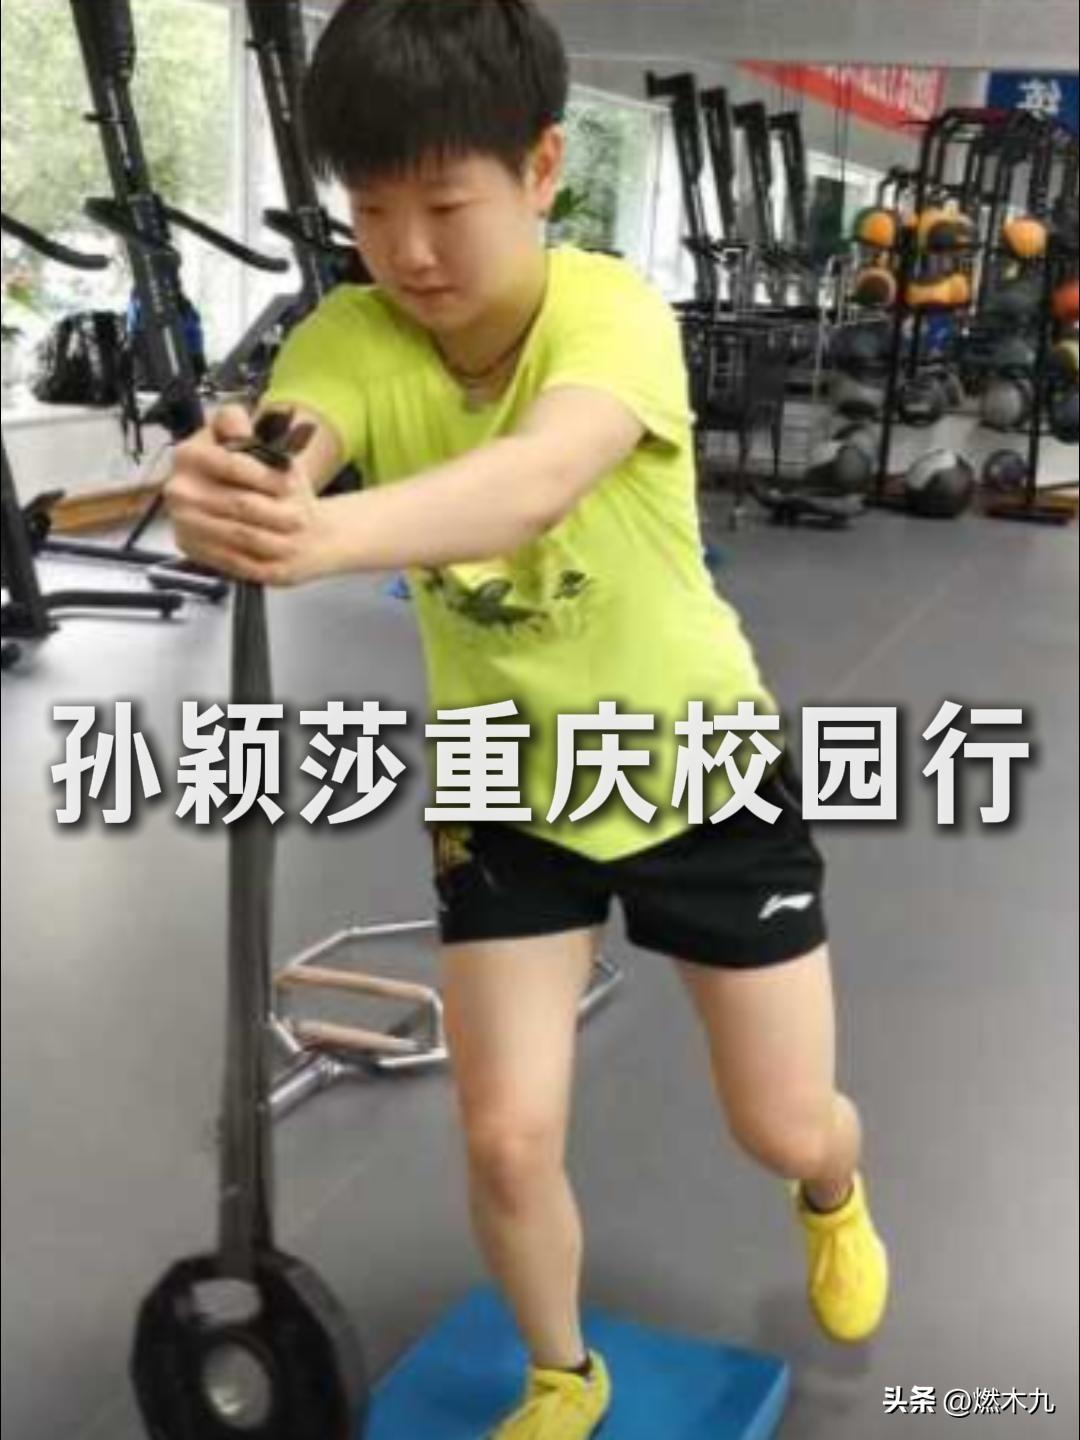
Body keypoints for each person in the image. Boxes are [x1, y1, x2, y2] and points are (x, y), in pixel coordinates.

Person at [164, 2, 889, 1435]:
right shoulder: (353, 333)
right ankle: (564, 1373)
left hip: (699, 773)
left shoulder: (611, 312)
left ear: (542, 167)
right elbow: (297, 447)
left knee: (783, 1120)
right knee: (503, 1135)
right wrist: (234, 491)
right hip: (507, 788)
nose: (409, 251)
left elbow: (537, 479)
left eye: (445, 207)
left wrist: (319, 538)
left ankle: (833, 1186)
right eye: (372, 212)